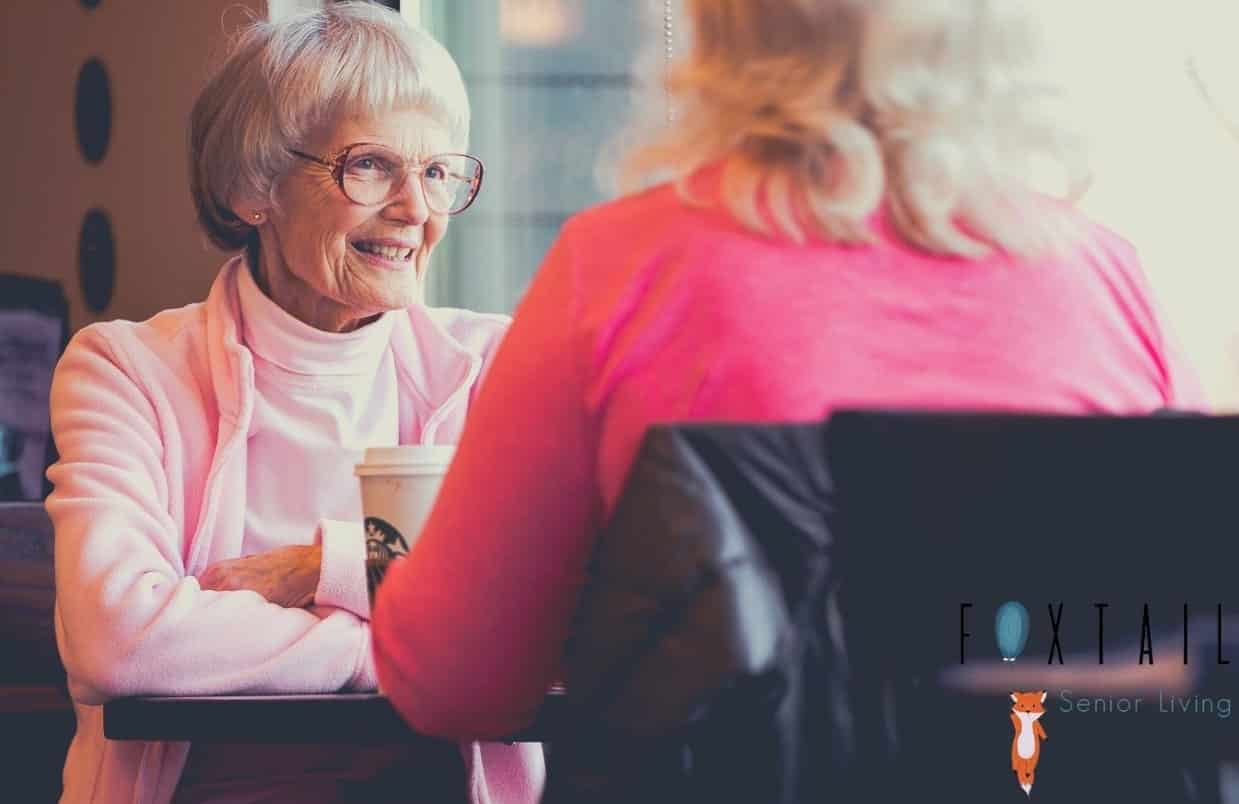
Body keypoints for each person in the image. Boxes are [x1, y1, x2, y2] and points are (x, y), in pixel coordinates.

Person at [371, 0, 1207, 741]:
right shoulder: (1109, 282)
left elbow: (455, 686)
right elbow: (1201, 650)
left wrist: (363, 565)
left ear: (724, 29)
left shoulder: (620, 267)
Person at [45, 4, 542, 803]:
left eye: (439, 171)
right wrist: (387, 642)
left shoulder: (490, 365)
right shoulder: (126, 369)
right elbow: (119, 642)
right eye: (372, 166)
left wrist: (320, 568)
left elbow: (544, 623)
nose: (417, 209)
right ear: (252, 187)